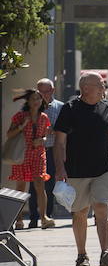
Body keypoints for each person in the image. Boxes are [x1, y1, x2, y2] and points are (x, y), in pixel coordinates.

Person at [54, 72, 108, 266]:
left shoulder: (106, 107)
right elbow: (59, 142)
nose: (103, 89)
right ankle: (82, 255)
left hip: (104, 169)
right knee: (80, 213)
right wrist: (60, 168)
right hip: (76, 170)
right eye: (100, 85)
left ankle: (105, 253)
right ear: (86, 88)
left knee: (102, 207)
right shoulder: (70, 109)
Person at [5, 90, 54, 230]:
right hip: (22, 154)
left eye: (39, 99)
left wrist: (42, 140)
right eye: (33, 99)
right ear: (28, 101)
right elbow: (9, 134)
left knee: (40, 184)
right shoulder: (20, 116)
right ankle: (18, 219)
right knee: (20, 187)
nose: (36, 101)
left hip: (38, 154)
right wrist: (22, 125)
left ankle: (44, 217)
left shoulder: (44, 117)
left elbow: (46, 136)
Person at [25, 78, 64, 228]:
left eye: (45, 92)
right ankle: (34, 218)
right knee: (33, 187)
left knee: (49, 185)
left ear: (52, 91)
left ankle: (47, 214)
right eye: (39, 92)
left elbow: (65, 130)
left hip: (51, 151)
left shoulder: (60, 107)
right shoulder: (31, 108)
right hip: (33, 152)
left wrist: (52, 130)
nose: (42, 95)